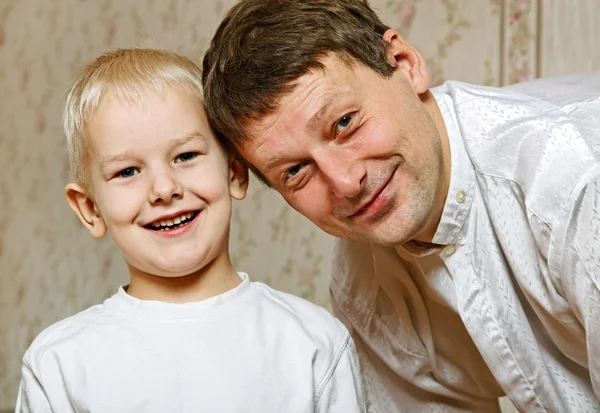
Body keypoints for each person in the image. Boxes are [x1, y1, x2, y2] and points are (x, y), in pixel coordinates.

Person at [201, 0, 600, 411]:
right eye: (296, 170)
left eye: (344, 123)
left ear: (406, 64)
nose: (345, 182)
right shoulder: (363, 284)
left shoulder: (573, 179)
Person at [15, 48, 365, 413]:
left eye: (185, 156)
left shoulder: (312, 342)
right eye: (127, 172)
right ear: (90, 209)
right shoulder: (59, 364)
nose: (164, 189)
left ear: (234, 172)